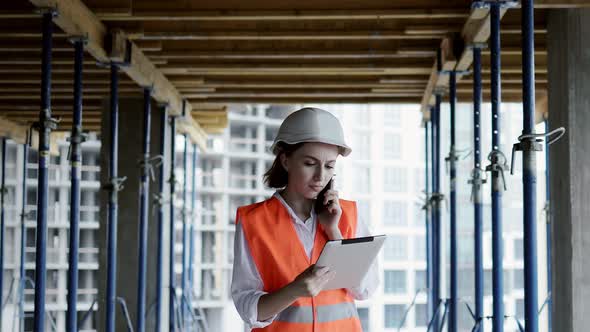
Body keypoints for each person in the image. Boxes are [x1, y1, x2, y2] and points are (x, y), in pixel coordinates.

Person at [231, 107, 379, 331]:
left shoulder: (347, 215)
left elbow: (365, 290)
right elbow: (248, 310)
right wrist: (294, 290)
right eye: (310, 164)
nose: (321, 177)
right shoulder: (253, 221)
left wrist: (334, 234)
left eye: (329, 166)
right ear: (285, 160)